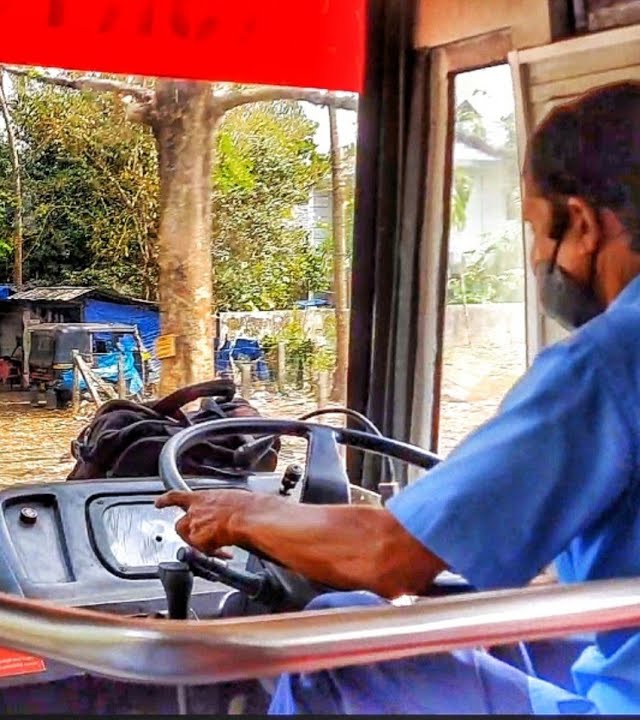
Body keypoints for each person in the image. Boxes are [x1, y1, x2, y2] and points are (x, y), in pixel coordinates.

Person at [157, 80, 640, 715]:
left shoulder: (604, 365)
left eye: (535, 228)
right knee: (486, 633)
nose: (533, 256)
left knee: (331, 653)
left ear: (580, 222)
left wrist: (241, 514)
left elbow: (388, 556)